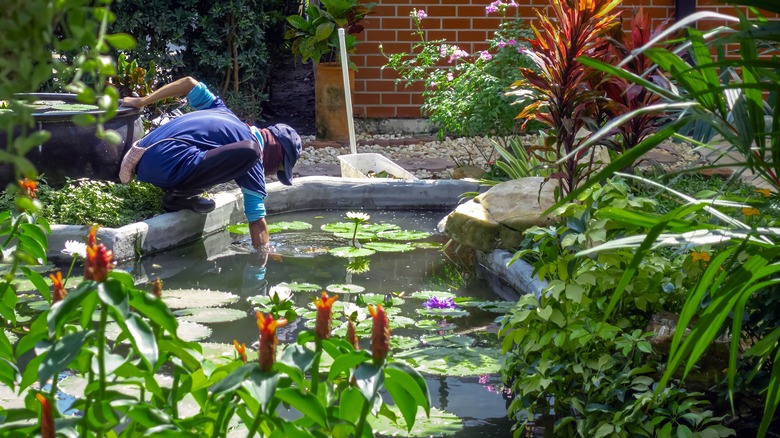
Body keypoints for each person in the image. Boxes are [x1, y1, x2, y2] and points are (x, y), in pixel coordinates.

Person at [119, 77, 301, 249]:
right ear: (276, 153)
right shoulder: (253, 155)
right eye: (277, 168)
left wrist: (142, 101)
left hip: (141, 157)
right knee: (250, 151)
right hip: (165, 163)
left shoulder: (221, 109)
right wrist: (265, 258)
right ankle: (178, 197)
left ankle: (179, 196)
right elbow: (257, 219)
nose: (269, 174)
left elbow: (188, 82)